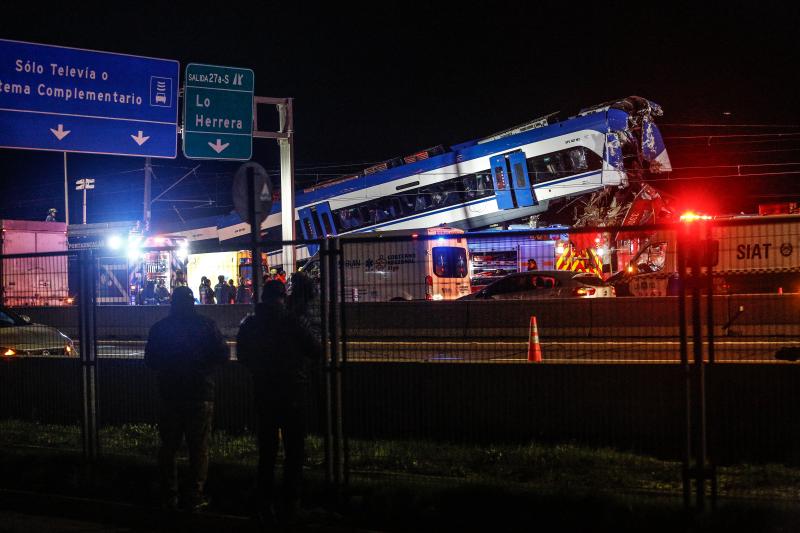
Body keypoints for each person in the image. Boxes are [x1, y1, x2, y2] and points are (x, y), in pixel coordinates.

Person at [237, 274, 321, 526]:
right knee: (294, 451)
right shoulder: (292, 321)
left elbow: (242, 356)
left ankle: (263, 503)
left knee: (267, 451)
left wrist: (259, 370)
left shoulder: (249, 324)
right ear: (283, 298)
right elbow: (315, 349)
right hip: (292, 392)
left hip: (264, 391)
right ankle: (290, 504)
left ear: (262, 298)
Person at [144, 286, 229, 512]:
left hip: (170, 393)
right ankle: (194, 495)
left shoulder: (161, 328)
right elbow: (223, 355)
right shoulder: (206, 325)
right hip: (200, 393)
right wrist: (204, 367)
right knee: (198, 447)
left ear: (172, 303)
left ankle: (169, 493)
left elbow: (150, 360)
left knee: (168, 446)